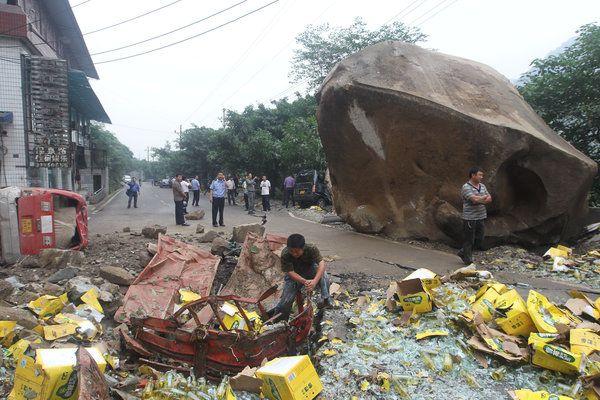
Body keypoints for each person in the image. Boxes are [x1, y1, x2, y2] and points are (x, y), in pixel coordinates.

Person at [269, 234, 332, 320]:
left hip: (310, 270)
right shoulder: (285, 254)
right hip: (294, 275)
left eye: (297, 251)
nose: (294, 254)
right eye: (292, 251)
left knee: (324, 276)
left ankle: (325, 300)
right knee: (286, 301)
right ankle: (281, 322)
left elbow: (321, 263)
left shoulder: (311, 248)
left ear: (303, 248)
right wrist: (304, 281)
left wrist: (314, 281)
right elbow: (290, 272)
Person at [458, 166, 492, 265]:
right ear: (473, 175)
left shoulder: (482, 186)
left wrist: (481, 199)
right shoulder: (466, 187)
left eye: (482, 175)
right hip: (470, 217)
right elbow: (474, 200)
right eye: (480, 175)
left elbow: (489, 198)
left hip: (481, 216)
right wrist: (482, 198)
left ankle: (463, 252)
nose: (481, 177)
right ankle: (468, 260)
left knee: (480, 238)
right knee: (469, 239)